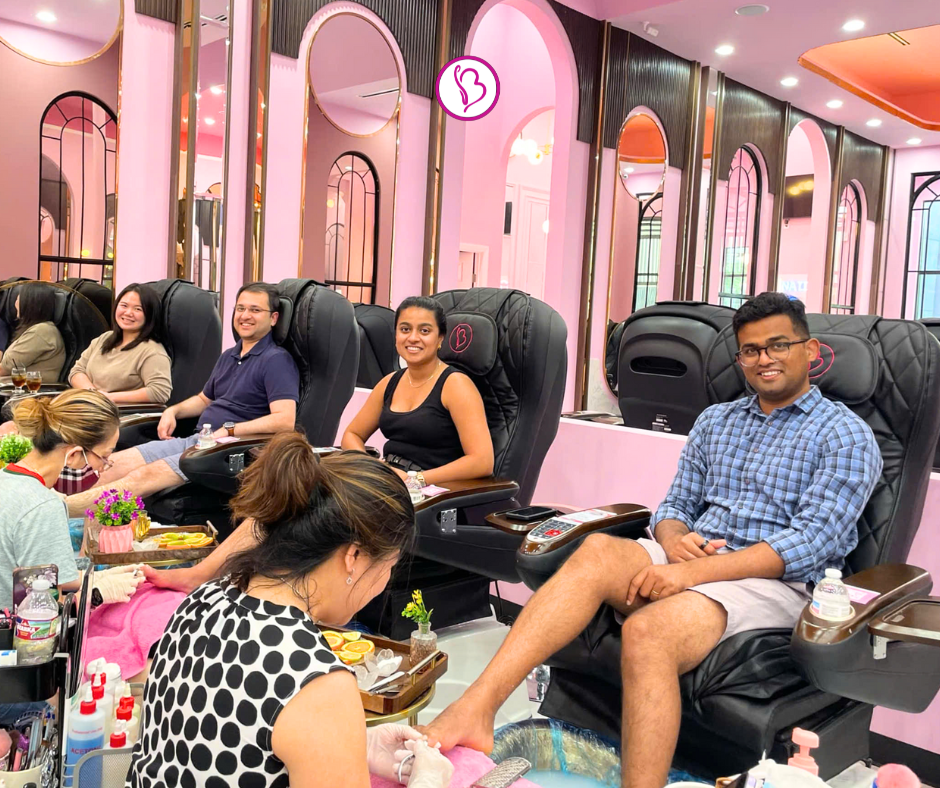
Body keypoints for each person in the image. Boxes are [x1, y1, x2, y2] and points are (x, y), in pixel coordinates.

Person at [423, 293, 883, 788]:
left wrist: (688, 572)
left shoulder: (844, 435)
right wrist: (674, 538)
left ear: (810, 351)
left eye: (778, 345)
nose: (763, 359)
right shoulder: (717, 421)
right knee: (595, 551)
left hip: (775, 580)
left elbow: (808, 544)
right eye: (750, 350)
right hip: (693, 555)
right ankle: (477, 707)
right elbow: (674, 506)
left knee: (650, 631)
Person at [126, 433, 454, 788]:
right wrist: (429, 780)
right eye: (389, 565)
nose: (384, 581)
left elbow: (225, 736)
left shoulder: (202, 601)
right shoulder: (315, 681)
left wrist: (353, 745)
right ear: (354, 557)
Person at [64, 282, 299, 517]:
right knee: (110, 465)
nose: (245, 316)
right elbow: (204, 399)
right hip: (200, 441)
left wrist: (229, 431)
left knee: (139, 477)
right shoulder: (230, 355)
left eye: (255, 310)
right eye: (240, 308)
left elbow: (284, 420)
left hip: (230, 452)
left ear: (274, 318)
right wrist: (173, 411)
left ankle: (58, 511)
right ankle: (76, 527)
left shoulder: (276, 360)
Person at [0, 389, 145, 609]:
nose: (102, 468)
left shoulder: (8, 480)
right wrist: (97, 594)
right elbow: (38, 608)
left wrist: (91, 579)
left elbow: (27, 575)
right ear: (75, 454)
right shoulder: (43, 507)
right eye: (104, 457)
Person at [342, 295, 493, 485]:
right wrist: (372, 469)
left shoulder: (456, 385)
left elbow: (483, 462)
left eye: (424, 330)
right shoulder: (389, 382)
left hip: (432, 490)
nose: (413, 338)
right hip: (389, 482)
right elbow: (352, 435)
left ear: (440, 338)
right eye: (405, 329)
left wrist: (416, 479)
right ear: (396, 335)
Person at [69, 283, 172, 405]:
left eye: (138, 309)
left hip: (115, 416)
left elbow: (160, 392)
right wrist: (93, 394)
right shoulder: (105, 338)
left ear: (150, 315)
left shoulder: (152, 351)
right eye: (124, 305)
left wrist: (108, 398)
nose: (128, 313)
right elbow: (77, 371)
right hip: (88, 407)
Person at [0, 283, 65, 383]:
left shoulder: (41, 332)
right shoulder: (36, 329)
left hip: (28, 393)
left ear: (30, 303)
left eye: (19, 297)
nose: (15, 302)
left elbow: (4, 368)